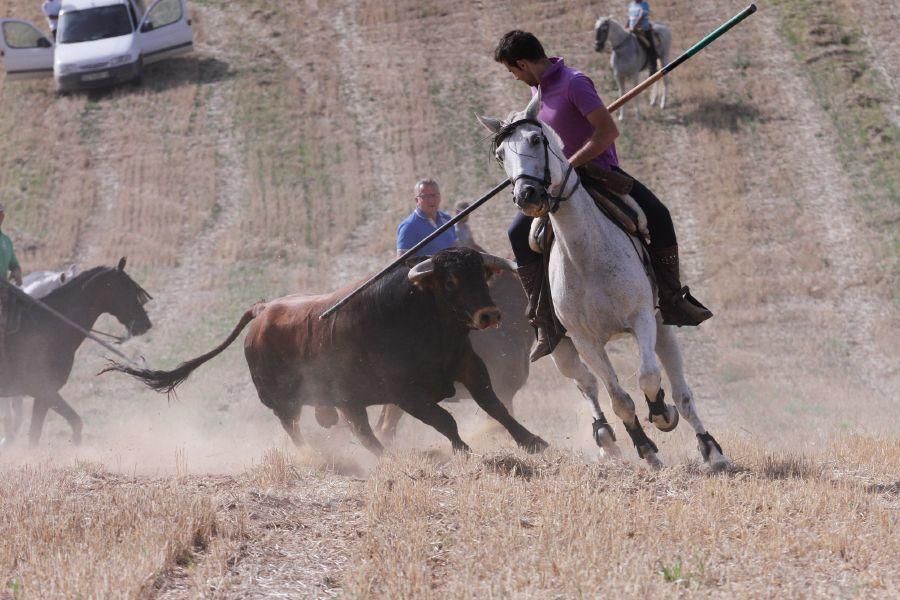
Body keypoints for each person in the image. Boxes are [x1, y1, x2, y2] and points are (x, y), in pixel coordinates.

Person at [493, 30, 712, 361]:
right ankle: (545, 320)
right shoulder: (537, 92)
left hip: (600, 174)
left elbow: (608, 132)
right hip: (556, 184)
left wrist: (570, 164)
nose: (514, 77)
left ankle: (671, 296)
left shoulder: (574, 83)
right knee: (517, 233)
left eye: (512, 71)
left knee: (659, 213)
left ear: (522, 63)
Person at [396, 178, 458, 257]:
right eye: (425, 196)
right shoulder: (409, 226)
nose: (431, 200)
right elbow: (402, 264)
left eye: (434, 195)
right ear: (417, 200)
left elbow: (456, 247)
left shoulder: (447, 219)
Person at [0, 203, 23, 374]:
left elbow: (14, 264)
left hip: (6, 292)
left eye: (1, 214)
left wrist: (16, 271)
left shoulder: (6, 241)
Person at [627, 1, 658, 70]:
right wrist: (627, 26)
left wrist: (635, 26)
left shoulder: (644, 4)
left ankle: (653, 66)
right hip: (632, 30)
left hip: (643, 30)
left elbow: (642, 16)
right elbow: (629, 17)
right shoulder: (631, 5)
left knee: (650, 46)